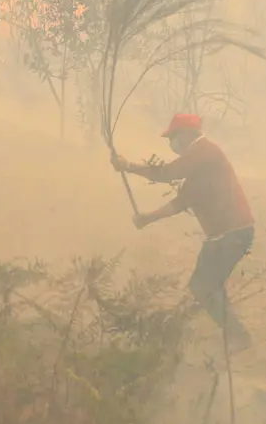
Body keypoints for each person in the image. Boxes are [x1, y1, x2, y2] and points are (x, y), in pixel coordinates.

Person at [110, 113, 256, 353]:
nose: (171, 143)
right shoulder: (200, 165)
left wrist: (129, 167)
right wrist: (149, 218)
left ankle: (238, 337)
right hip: (227, 234)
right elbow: (180, 202)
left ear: (188, 134)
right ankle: (232, 335)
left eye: (173, 137)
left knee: (202, 285)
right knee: (207, 285)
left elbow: (167, 173)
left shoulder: (203, 151)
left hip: (230, 233)